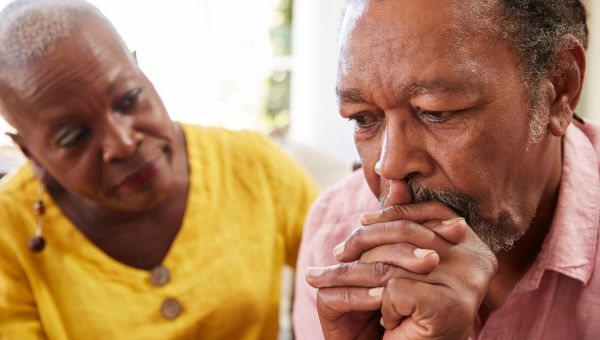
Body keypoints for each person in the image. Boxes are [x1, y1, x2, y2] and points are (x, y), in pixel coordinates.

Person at [0, 0, 318, 339]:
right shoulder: (8, 232)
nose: (123, 142)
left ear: (142, 74)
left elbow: (343, 283)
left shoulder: (255, 167)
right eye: (75, 136)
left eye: (128, 99)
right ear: (30, 151)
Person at [293, 0, 599, 339]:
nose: (389, 166)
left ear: (559, 89)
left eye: (436, 112)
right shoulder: (334, 235)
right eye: (363, 119)